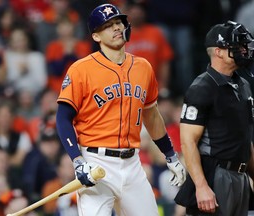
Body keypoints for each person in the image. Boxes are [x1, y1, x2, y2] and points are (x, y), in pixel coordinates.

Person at [56, 4, 186, 216]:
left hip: (132, 163)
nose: (116, 28)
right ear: (96, 36)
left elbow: (152, 116)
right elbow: (63, 118)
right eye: (108, 25)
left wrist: (170, 155)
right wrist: (78, 161)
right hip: (96, 162)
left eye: (118, 22)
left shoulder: (143, 67)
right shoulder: (81, 69)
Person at [174, 20, 254, 216]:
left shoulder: (243, 84)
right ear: (218, 51)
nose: (244, 50)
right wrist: (201, 186)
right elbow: (188, 142)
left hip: (241, 175)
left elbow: (245, 138)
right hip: (215, 174)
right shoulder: (202, 87)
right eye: (237, 46)